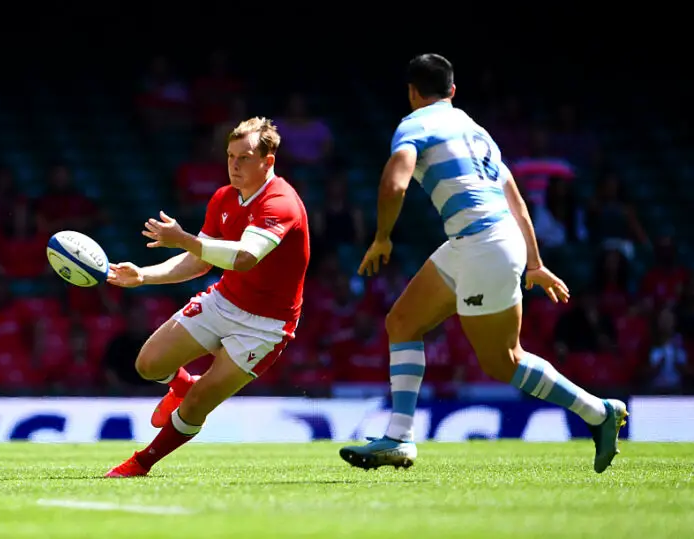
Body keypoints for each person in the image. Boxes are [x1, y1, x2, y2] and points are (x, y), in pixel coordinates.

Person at [339, 54, 627, 474]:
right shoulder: (477, 132)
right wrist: (534, 263)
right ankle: (399, 437)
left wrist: (382, 237)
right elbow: (517, 202)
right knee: (401, 322)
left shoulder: (414, 125)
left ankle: (598, 412)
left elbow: (393, 183)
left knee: (503, 360)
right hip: (479, 240)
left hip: (482, 245)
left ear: (412, 92)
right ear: (452, 91)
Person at [104, 117, 310, 477]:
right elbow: (200, 260)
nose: (234, 165)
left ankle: (142, 462)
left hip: (266, 327)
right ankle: (182, 385)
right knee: (148, 364)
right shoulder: (223, 198)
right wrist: (144, 275)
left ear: (268, 161)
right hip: (225, 300)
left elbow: (245, 257)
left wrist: (183, 238)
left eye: (244, 157)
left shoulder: (281, 203)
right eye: (230, 156)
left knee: (201, 403)